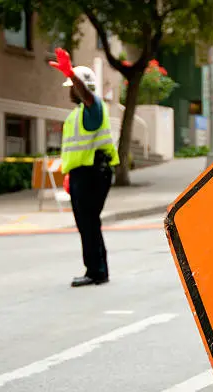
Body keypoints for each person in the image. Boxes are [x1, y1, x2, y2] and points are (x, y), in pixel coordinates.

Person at [49, 48, 120, 287]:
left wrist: (71, 73)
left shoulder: (93, 109)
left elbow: (88, 96)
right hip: (84, 173)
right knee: (88, 222)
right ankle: (98, 269)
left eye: (71, 85)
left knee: (88, 222)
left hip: (93, 173)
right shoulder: (78, 115)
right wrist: (70, 174)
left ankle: (96, 271)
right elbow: (75, 151)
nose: (69, 90)